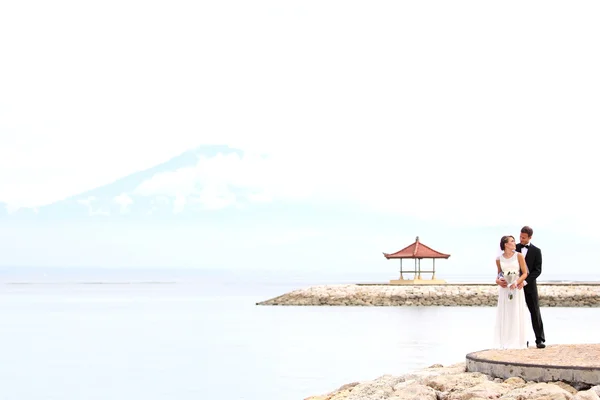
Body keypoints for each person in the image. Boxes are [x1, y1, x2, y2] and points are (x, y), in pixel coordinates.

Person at [493, 235, 529, 349]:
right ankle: (505, 340)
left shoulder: (519, 256)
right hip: (505, 289)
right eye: (512, 241)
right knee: (506, 313)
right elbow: (499, 273)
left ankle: (517, 341)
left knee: (515, 312)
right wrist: (498, 281)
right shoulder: (499, 259)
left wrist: (517, 282)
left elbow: (525, 273)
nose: (515, 243)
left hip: (516, 289)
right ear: (505, 244)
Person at [516, 226, 546, 348]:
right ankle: (521, 340)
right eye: (520, 237)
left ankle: (540, 339)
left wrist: (525, 281)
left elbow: (537, 271)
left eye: (524, 237)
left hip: (530, 287)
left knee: (535, 312)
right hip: (515, 286)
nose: (521, 239)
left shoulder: (536, 251)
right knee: (517, 313)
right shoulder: (514, 248)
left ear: (530, 237)